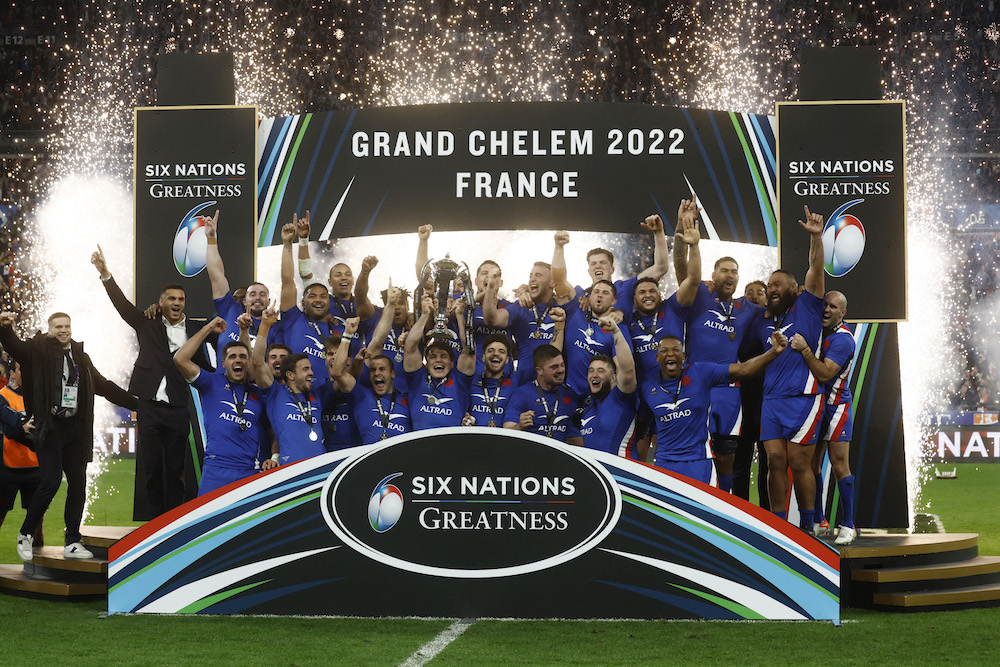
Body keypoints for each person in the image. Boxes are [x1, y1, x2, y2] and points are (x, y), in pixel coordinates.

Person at [0, 311, 136, 560]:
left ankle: (72, 540)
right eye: (59, 326)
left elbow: (102, 385)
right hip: (50, 427)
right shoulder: (37, 350)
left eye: (67, 326)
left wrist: (136, 404)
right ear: (50, 329)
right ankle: (26, 533)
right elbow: (14, 347)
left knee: (79, 483)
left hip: (75, 428)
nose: (64, 330)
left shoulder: (80, 356)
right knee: (51, 482)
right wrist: (6, 328)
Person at [92, 245, 212, 519]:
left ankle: (173, 524)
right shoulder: (147, 322)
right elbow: (122, 306)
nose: (177, 303)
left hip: (179, 408)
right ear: (162, 302)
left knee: (176, 471)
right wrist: (105, 274)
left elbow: (205, 365)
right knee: (152, 469)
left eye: (181, 299)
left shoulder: (194, 329)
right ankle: (154, 525)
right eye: (171, 298)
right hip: (149, 407)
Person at [673, 200, 765, 494]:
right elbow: (680, 267)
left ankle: (726, 515)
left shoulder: (747, 308)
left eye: (734, 271)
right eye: (724, 270)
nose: (729, 275)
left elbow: (776, 304)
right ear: (714, 276)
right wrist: (681, 231)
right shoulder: (700, 294)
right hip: (695, 386)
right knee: (694, 453)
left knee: (727, 458)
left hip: (728, 391)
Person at [754, 205, 826, 531]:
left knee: (799, 463)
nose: (772, 289)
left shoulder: (808, 306)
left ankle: (808, 526)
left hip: (803, 398)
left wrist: (816, 238)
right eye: (770, 285)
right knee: (774, 462)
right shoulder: (767, 321)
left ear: (795, 289)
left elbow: (815, 268)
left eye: (779, 284)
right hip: (771, 401)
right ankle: (778, 527)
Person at [640, 332, 787, 485]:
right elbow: (643, 429)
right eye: (664, 351)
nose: (670, 353)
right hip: (664, 465)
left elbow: (744, 369)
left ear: (683, 356)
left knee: (701, 509)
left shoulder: (700, 372)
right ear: (657, 357)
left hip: (699, 463)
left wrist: (773, 352)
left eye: (675, 350)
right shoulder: (647, 387)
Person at [790, 290, 858, 545]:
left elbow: (826, 374)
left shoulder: (843, 340)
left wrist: (806, 350)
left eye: (833, 307)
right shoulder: (818, 330)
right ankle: (819, 520)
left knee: (840, 465)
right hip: (815, 404)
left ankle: (849, 524)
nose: (826, 310)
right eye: (824, 305)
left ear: (843, 313)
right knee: (812, 464)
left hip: (836, 406)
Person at [174, 317, 269, 495]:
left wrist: (275, 454)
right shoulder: (210, 382)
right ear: (223, 363)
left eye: (243, 357)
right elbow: (180, 359)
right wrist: (208, 328)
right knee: (208, 523)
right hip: (216, 471)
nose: (238, 360)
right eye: (232, 357)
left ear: (248, 363)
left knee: (248, 524)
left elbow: (273, 431)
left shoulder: (259, 393)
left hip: (250, 473)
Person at [251, 305, 325, 464]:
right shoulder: (275, 393)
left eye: (311, 369)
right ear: (290, 374)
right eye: (306, 369)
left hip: (321, 470)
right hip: (290, 471)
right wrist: (264, 325)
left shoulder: (317, 393)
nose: (311, 373)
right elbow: (257, 361)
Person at [483, 262, 578, 386]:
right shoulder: (520, 306)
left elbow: (571, 294)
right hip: (523, 385)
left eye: (538, 275)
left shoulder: (563, 306)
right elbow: (492, 319)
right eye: (531, 275)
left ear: (552, 283)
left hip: (554, 385)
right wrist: (490, 288)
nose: (532, 279)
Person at [552, 213, 670, 312]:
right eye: (593, 264)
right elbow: (559, 280)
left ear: (612, 269)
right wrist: (559, 247)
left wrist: (658, 232)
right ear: (589, 271)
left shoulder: (626, 288)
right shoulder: (580, 295)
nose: (598, 266)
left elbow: (661, 267)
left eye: (603, 262)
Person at [202, 209, 278, 355]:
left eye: (262, 294)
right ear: (244, 300)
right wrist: (211, 239)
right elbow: (217, 276)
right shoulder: (230, 309)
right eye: (253, 294)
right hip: (223, 378)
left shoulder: (275, 327)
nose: (257, 297)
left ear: (268, 301)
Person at [279, 218, 341, 385]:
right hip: (300, 393)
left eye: (323, 296)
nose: (318, 300)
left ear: (330, 302)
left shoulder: (338, 328)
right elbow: (287, 281)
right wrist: (287, 244)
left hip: (333, 395)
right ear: (303, 302)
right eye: (312, 296)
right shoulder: (293, 319)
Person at [330, 317, 412, 444]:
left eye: (382, 369)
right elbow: (338, 373)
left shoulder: (407, 400)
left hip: (400, 459)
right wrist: (347, 335)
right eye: (373, 369)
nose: (377, 373)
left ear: (393, 374)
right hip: (370, 461)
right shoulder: (361, 395)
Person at [403, 294, 476, 429]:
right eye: (433, 356)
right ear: (426, 362)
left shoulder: (460, 381)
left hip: (450, 446)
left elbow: (469, 351)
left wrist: (460, 315)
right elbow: (410, 348)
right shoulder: (417, 379)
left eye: (443, 356)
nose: (438, 359)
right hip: (419, 446)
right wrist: (425, 314)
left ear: (452, 363)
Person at [573, 316, 639, 459]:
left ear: (614, 378)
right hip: (600, 479)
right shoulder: (587, 409)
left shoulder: (621, 398)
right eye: (591, 371)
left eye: (601, 371)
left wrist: (615, 331)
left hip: (624, 477)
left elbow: (627, 370)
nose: (594, 375)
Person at [561, 279, 634, 396]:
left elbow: (621, 367)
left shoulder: (618, 328)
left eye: (605, 293)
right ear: (589, 296)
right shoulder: (577, 309)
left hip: (598, 397)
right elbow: (559, 280)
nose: (600, 294)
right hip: (569, 395)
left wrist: (615, 399)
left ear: (613, 301)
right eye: (596, 292)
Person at [504, 344, 583, 445]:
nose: (561, 370)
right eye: (554, 367)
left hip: (560, 458)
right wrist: (519, 426)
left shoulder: (569, 394)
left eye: (562, 365)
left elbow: (575, 440)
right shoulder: (522, 394)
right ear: (539, 370)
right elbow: (506, 433)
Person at [735, 280, 769, 507]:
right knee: (741, 458)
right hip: (741, 397)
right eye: (750, 293)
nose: (754, 296)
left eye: (759, 292)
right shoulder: (736, 322)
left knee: (768, 460)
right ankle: (741, 509)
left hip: (767, 396)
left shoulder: (774, 322)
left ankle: (768, 513)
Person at [0, 361, 42, 547]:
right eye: (21, 369)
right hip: (8, 467)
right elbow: (7, 429)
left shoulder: (41, 396)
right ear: (12, 373)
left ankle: (39, 569)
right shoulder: (3, 396)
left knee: (37, 523)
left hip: (36, 468)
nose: (26, 373)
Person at [464, 333, 518, 428]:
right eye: (490, 350)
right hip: (474, 438)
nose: (496, 354)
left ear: (507, 359)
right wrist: (465, 419)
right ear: (483, 357)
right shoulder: (470, 381)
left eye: (501, 351)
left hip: (502, 440)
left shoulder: (515, 383)